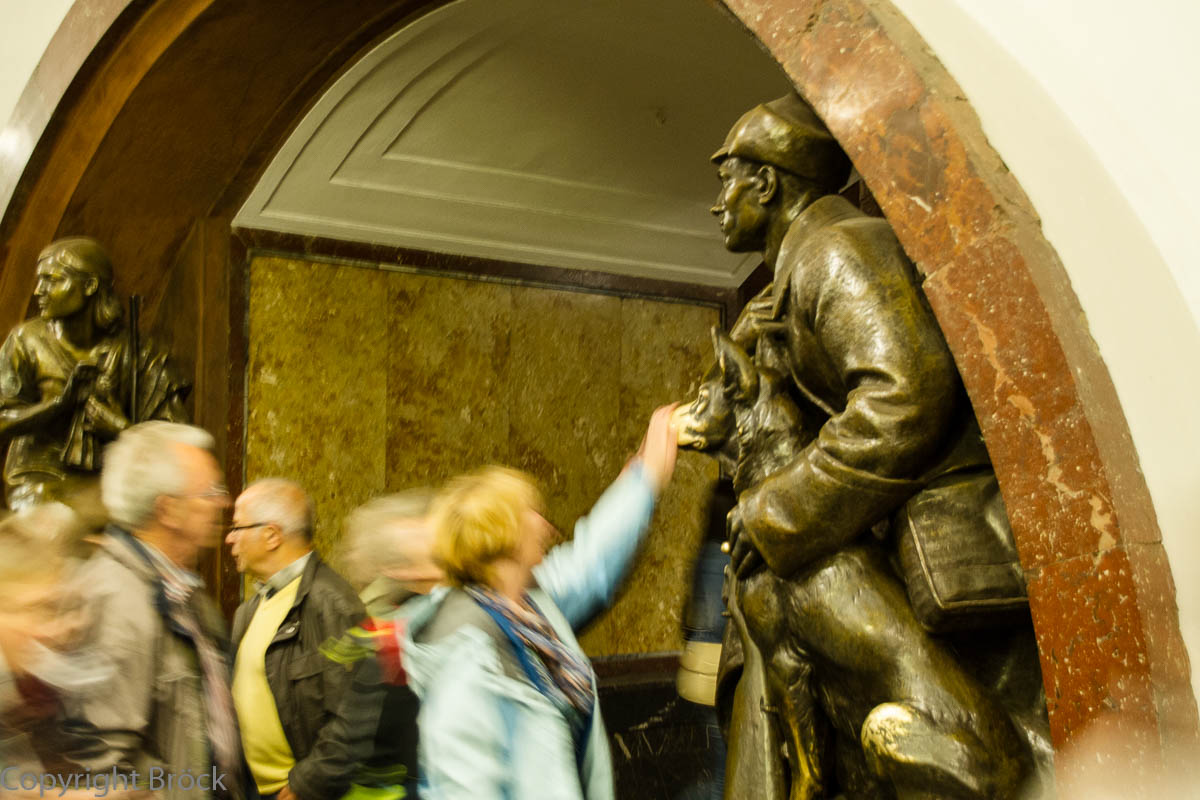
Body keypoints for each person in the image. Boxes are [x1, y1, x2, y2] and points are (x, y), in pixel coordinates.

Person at [402, 404, 678, 800]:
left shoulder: (524, 605)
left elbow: (590, 565)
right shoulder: (464, 646)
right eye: (532, 512)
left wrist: (644, 478)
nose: (547, 526)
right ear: (504, 531)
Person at [62, 421, 241, 800]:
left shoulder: (184, 591)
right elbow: (102, 764)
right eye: (211, 492)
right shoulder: (116, 598)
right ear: (169, 511)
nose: (224, 503)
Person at [0, 237, 190, 509]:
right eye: (39, 280)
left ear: (89, 286)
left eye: (52, 280)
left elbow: (181, 449)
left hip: (113, 482)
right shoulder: (26, 341)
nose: (38, 290)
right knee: (50, 520)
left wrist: (121, 429)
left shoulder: (140, 353)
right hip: (39, 477)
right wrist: (59, 405)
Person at [226, 478, 365, 800]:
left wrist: (308, 783)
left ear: (271, 535)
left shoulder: (333, 604)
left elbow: (355, 714)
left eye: (237, 528)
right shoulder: (251, 608)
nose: (229, 539)